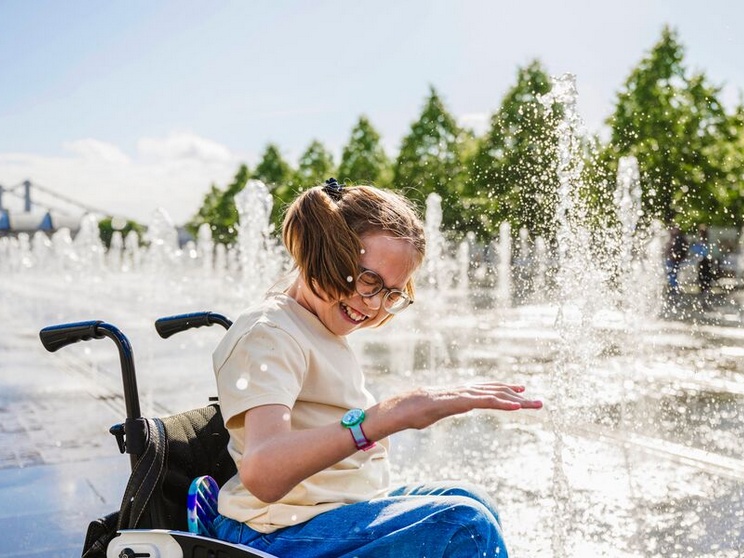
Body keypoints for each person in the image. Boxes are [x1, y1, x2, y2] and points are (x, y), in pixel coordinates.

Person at [211, 178, 543, 557]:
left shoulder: (317, 325)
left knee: (470, 499)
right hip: (273, 532)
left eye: (392, 294)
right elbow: (261, 473)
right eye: (369, 280)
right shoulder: (269, 333)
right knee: (465, 524)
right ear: (326, 251)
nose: (373, 305)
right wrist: (383, 419)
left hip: (322, 515)